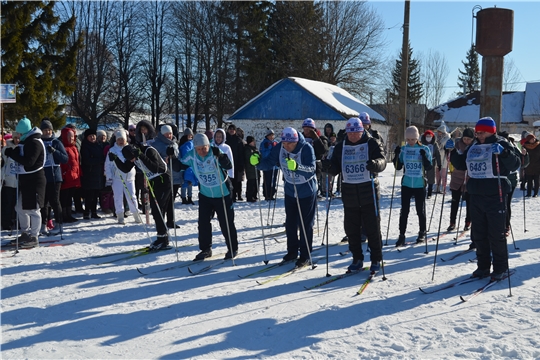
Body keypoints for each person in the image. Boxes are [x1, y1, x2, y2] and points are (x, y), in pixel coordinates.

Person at [449, 117, 520, 280]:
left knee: (496, 235)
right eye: (477, 132)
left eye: (482, 132)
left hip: (496, 195)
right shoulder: (473, 146)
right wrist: (452, 151)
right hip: (475, 195)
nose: (479, 135)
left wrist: (504, 153)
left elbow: (516, 164)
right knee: (478, 234)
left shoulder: (502, 143)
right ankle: (483, 267)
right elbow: (461, 164)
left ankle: (500, 267)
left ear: (491, 131)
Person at [323, 117, 386, 272]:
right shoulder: (341, 146)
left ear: (361, 131)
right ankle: (357, 258)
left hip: (368, 191)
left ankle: (376, 259)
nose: (352, 136)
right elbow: (335, 168)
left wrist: (376, 164)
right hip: (350, 193)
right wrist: (328, 167)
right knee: (351, 229)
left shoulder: (372, 143)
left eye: (356, 133)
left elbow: (382, 160)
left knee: (372, 228)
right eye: (350, 133)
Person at [252, 127, 317, 267]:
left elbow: (311, 170)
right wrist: (257, 163)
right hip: (290, 191)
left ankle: (305, 255)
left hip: (306, 191)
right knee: (290, 223)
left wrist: (297, 166)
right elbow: (269, 162)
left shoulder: (306, 148)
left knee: (305, 225)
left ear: (296, 141)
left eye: (289, 144)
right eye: (284, 143)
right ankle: (292, 251)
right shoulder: (280, 147)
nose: (286, 147)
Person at [181, 133, 239, 260]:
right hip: (205, 194)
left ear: (208, 145)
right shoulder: (192, 155)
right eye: (199, 148)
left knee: (226, 223)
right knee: (203, 223)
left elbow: (228, 166)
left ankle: (232, 248)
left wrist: (222, 157)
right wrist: (172, 157)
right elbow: (179, 165)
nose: (202, 151)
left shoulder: (215, 152)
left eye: (204, 148)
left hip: (223, 193)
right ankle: (206, 249)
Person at [115, 141, 170, 250]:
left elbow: (157, 168)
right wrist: (116, 159)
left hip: (164, 181)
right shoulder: (133, 155)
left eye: (132, 158)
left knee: (158, 210)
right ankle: (161, 237)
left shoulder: (148, 151)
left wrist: (141, 156)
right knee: (155, 211)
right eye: (130, 159)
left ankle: (163, 238)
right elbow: (126, 168)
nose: (132, 161)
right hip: (153, 183)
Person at [4, 116, 47, 247]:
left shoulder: (34, 142)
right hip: (26, 180)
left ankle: (34, 236)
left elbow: (29, 162)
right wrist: (14, 151)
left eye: (20, 133)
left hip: (35, 179)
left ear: (24, 132)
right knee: (20, 207)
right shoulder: (27, 142)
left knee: (34, 209)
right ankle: (25, 233)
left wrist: (14, 154)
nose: (18, 136)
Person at [394, 126, 433, 247]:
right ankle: (401, 235)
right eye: (408, 139)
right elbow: (398, 167)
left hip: (419, 184)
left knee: (420, 210)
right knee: (404, 211)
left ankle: (422, 232)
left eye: (413, 139)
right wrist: (396, 155)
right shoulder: (404, 149)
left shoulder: (424, 148)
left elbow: (429, 167)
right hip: (406, 183)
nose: (410, 142)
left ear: (417, 138)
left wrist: (424, 157)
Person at [105, 129, 142, 224]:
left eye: (122, 139)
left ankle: (135, 214)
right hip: (117, 178)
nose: (121, 141)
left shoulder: (130, 148)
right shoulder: (112, 150)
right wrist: (108, 176)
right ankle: (120, 215)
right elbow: (108, 164)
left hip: (129, 177)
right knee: (118, 196)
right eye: (119, 139)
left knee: (132, 196)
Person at [39, 119, 68, 235]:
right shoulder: (39, 142)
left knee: (55, 201)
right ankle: (43, 225)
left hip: (55, 176)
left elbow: (65, 159)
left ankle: (59, 223)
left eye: (49, 130)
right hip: (43, 175)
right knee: (43, 202)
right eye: (45, 130)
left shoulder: (56, 142)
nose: (47, 132)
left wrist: (54, 151)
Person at [152, 124, 182, 228]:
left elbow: (179, 156)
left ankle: (171, 220)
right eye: (166, 134)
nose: (169, 135)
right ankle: (161, 221)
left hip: (175, 174)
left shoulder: (175, 143)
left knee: (171, 200)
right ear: (162, 134)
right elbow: (155, 158)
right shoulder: (157, 144)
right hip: (165, 175)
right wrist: (165, 158)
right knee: (164, 200)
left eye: (170, 133)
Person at [447, 127, 474, 233]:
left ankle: (468, 221)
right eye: (465, 138)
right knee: (455, 202)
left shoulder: (474, 147)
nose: (466, 141)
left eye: (469, 139)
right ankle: (452, 222)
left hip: (469, 178)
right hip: (457, 177)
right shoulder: (458, 145)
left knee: (469, 202)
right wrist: (448, 150)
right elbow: (451, 157)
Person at [80, 128, 105, 219]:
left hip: (97, 172)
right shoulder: (85, 146)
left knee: (95, 194)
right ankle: (87, 212)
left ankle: (94, 212)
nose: (92, 137)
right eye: (90, 136)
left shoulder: (98, 145)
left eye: (93, 136)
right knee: (89, 194)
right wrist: (99, 160)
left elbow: (101, 157)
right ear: (87, 137)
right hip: (89, 173)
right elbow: (87, 160)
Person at [301, 118, 329, 198]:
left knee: (314, 181)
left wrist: (316, 139)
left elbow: (323, 150)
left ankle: (314, 194)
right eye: (305, 129)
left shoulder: (321, 138)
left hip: (316, 163)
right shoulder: (301, 138)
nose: (306, 132)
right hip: (303, 162)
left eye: (308, 130)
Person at [59, 126, 81, 223]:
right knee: (64, 197)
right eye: (69, 136)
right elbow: (61, 164)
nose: (71, 138)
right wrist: (62, 175)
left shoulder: (74, 147)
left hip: (74, 176)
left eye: (72, 136)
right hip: (66, 176)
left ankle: (68, 214)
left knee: (70, 197)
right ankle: (64, 215)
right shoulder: (62, 147)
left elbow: (76, 162)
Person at [1, 132, 20, 231]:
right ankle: (6, 223)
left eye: (19, 138)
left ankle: (16, 220)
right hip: (8, 178)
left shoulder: (21, 147)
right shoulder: (7, 147)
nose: (17, 140)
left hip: (18, 180)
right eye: (15, 138)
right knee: (7, 202)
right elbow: (3, 157)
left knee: (16, 203)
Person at [226, 124, 245, 201]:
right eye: (230, 129)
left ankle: (238, 195)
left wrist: (241, 164)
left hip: (236, 163)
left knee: (237, 181)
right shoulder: (225, 139)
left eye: (233, 129)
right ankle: (231, 195)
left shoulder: (238, 140)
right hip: (227, 163)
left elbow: (241, 153)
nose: (231, 130)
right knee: (229, 180)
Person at [420, 130, 441, 199]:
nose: (428, 138)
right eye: (427, 136)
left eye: (430, 136)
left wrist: (439, 164)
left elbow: (438, 154)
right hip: (422, 162)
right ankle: (422, 191)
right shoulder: (421, 144)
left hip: (432, 162)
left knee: (431, 177)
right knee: (422, 176)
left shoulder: (435, 144)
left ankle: (429, 192)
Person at [259, 128, 279, 201]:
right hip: (267, 165)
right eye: (269, 135)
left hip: (275, 166)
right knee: (267, 180)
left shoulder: (276, 143)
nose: (271, 137)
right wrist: (271, 150)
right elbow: (264, 154)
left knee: (274, 180)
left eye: (272, 135)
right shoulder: (264, 143)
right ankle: (267, 194)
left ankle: (272, 193)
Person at [179, 128, 197, 205]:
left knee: (189, 182)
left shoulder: (191, 143)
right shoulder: (186, 145)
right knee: (185, 182)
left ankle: (189, 197)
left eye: (191, 135)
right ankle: (184, 198)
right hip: (186, 165)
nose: (190, 136)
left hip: (190, 165)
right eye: (188, 135)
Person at [521, 132, 540, 197]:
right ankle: (528, 193)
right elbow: (523, 156)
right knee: (529, 180)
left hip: (537, 165)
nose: (533, 140)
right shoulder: (525, 146)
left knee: (536, 180)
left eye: (534, 139)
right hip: (528, 165)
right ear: (528, 140)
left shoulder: (538, 145)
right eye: (532, 139)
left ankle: (535, 193)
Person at [435, 122, 451, 193]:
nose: (439, 133)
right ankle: (437, 187)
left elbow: (448, 147)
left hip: (444, 157)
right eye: (438, 131)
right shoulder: (435, 138)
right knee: (437, 174)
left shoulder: (447, 138)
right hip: (437, 157)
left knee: (443, 175)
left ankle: (444, 188)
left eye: (440, 132)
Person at [244, 135, 261, 203]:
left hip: (256, 169)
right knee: (251, 183)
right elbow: (249, 158)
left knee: (256, 183)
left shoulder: (255, 148)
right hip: (250, 169)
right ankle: (249, 196)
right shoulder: (247, 149)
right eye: (252, 141)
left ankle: (254, 195)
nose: (254, 142)